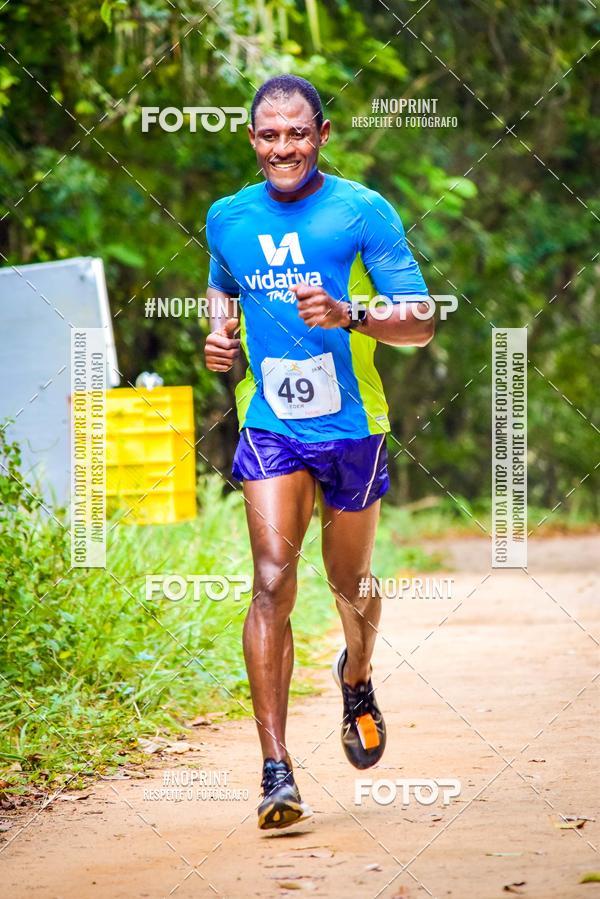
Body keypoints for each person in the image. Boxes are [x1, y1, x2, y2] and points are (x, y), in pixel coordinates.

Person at [204, 74, 434, 830]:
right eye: (269, 135)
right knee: (272, 578)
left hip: (351, 428)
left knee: (350, 581)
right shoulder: (227, 217)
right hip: (270, 422)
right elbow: (222, 286)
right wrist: (219, 332)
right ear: (252, 140)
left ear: (322, 135)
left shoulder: (362, 211)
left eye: (297, 133)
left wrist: (352, 313)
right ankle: (276, 770)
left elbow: (423, 322)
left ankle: (357, 675)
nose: (283, 147)